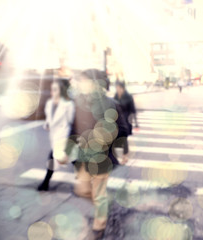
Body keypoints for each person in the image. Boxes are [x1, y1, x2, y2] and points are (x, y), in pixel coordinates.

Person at [68, 69, 128, 240]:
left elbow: (123, 129)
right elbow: (73, 129)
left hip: (103, 157)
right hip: (84, 156)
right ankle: (102, 206)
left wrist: (120, 149)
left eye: (86, 82)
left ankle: (99, 227)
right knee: (82, 190)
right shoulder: (79, 103)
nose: (82, 85)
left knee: (99, 193)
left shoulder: (111, 105)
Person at [37, 78, 75, 191]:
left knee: (52, 158)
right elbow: (49, 120)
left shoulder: (68, 105)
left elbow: (71, 122)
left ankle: (45, 183)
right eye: (51, 89)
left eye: (55, 89)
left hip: (64, 137)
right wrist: (47, 125)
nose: (52, 92)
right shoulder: (49, 103)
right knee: (74, 160)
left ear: (61, 90)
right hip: (55, 137)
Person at [114, 80, 138, 164]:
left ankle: (125, 157)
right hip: (117, 120)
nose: (116, 89)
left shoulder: (128, 97)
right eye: (116, 87)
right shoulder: (116, 96)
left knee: (124, 139)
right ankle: (118, 156)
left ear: (122, 88)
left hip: (126, 120)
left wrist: (136, 123)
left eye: (118, 87)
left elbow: (133, 110)